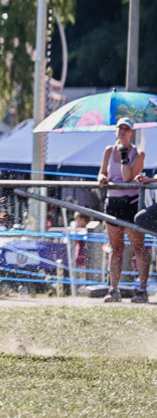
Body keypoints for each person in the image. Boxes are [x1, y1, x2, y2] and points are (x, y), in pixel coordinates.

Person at [97, 117, 149, 303]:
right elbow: (103, 171)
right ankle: (114, 290)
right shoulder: (108, 151)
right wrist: (102, 178)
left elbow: (127, 177)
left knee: (139, 248)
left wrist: (125, 154)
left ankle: (142, 291)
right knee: (116, 248)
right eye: (120, 128)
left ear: (132, 133)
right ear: (115, 131)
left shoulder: (139, 154)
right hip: (113, 203)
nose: (123, 132)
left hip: (132, 203)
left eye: (126, 129)